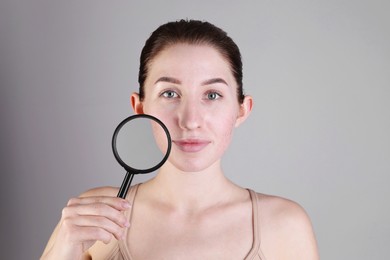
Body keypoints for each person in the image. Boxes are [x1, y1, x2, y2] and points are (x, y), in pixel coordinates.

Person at [41, 19, 319, 260]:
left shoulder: (285, 226)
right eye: (170, 94)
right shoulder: (95, 214)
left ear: (241, 109)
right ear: (140, 108)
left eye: (212, 95)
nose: (190, 120)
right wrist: (65, 248)